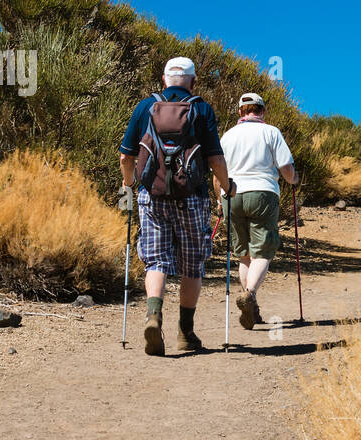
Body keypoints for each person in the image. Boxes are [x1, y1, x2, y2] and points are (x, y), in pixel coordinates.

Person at [119, 57, 234, 356]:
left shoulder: (145, 107)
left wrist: (129, 184)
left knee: (156, 261)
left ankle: (153, 316)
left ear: (163, 79)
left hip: (152, 197)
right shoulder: (201, 108)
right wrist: (227, 185)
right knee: (192, 264)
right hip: (192, 198)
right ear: (193, 82)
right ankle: (186, 333)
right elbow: (214, 158)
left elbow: (125, 157)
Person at [215, 92, 297, 330]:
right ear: (262, 111)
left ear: (240, 112)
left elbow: (216, 172)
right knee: (263, 250)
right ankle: (249, 295)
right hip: (262, 192)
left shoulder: (228, 136)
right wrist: (294, 180)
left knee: (244, 254)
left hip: (232, 194)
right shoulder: (271, 132)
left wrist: (219, 200)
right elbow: (286, 168)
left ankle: (252, 306)